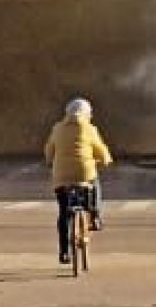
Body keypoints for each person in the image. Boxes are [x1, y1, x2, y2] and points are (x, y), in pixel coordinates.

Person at [43, 95, 113, 264]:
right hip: (84, 173)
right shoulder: (89, 129)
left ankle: (64, 252)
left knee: (63, 213)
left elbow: (49, 150)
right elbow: (100, 150)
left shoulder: (57, 128)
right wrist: (106, 160)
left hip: (61, 176)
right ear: (87, 114)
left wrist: (49, 161)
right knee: (94, 181)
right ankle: (95, 215)